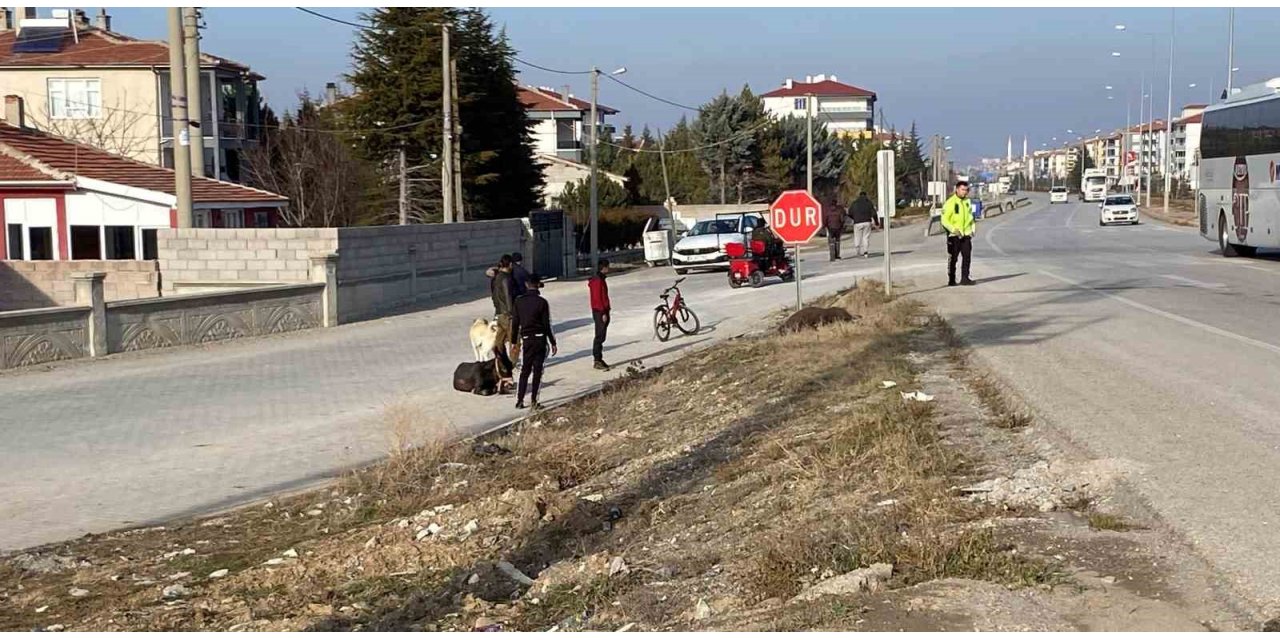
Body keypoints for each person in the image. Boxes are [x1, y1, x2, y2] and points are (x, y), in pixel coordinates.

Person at [513, 273, 557, 410]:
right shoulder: (542, 302)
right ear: (538, 284)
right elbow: (546, 324)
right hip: (540, 339)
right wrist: (553, 342)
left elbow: (515, 323)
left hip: (526, 339)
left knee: (525, 370)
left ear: (526, 284)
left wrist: (514, 341)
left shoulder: (518, 301)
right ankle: (533, 401)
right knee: (538, 370)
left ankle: (519, 400)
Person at [487, 255, 518, 374]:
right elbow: (508, 296)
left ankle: (501, 364)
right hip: (507, 315)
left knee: (498, 341)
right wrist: (512, 314)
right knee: (515, 342)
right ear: (510, 264)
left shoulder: (496, 278)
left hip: (499, 313)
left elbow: (494, 296)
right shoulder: (506, 279)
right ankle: (510, 366)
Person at [942, 181, 977, 286]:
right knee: (953, 258)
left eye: (966, 190)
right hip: (954, 235)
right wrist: (953, 229)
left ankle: (965, 278)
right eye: (962, 190)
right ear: (957, 189)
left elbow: (971, 217)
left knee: (967, 257)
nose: (964, 192)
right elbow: (944, 220)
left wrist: (972, 229)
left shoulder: (967, 202)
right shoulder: (950, 202)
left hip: (966, 235)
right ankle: (951, 279)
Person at [588, 259, 611, 371]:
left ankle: (598, 359)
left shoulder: (600, 279)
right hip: (599, 311)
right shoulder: (598, 281)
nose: (609, 269)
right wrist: (603, 313)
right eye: (608, 267)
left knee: (601, 335)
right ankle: (597, 359)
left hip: (602, 310)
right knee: (599, 335)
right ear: (604, 268)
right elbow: (598, 298)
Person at [848, 191, 877, 258]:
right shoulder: (869, 203)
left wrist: (854, 218)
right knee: (865, 237)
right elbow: (874, 213)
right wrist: (877, 222)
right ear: (866, 195)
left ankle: (858, 251)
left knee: (857, 237)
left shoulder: (854, 203)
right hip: (867, 222)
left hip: (857, 222)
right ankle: (865, 252)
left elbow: (850, 213)